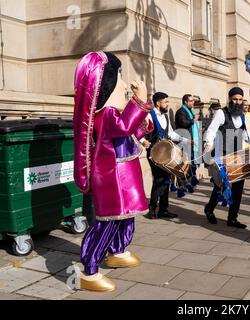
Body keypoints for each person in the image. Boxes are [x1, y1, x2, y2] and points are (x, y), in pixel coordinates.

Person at [73, 51, 154, 292]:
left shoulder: (112, 112)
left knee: (126, 215)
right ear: (104, 82)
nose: (123, 83)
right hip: (112, 176)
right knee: (107, 220)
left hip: (124, 174)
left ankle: (117, 250)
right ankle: (89, 270)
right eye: (118, 75)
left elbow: (130, 129)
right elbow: (123, 127)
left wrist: (142, 121)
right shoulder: (106, 114)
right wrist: (140, 100)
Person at [203, 87, 250, 229]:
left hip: (238, 155)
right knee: (221, 185)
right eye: (234, 99)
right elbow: (211, 130)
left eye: (240, 99)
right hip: (223, 154)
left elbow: (246, 136)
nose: (237, 102)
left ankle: (232, 218)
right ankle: (209, 208)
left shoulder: (242, 116)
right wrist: (208, 143)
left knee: (238, 187)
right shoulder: (221, 113)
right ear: (230, 99)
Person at [141, 92, 190, 219]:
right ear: (158, 103)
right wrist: (143, 141)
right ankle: (152, 210)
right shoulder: (149, 115)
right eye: (166, 102)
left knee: (166, 180)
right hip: (154, 153)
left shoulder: (166, 117)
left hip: (166, 154)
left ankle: (163, 209)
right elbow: (138, 130)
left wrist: (185, 140)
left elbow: (171, 134)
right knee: (159, 180)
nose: (168, 104)